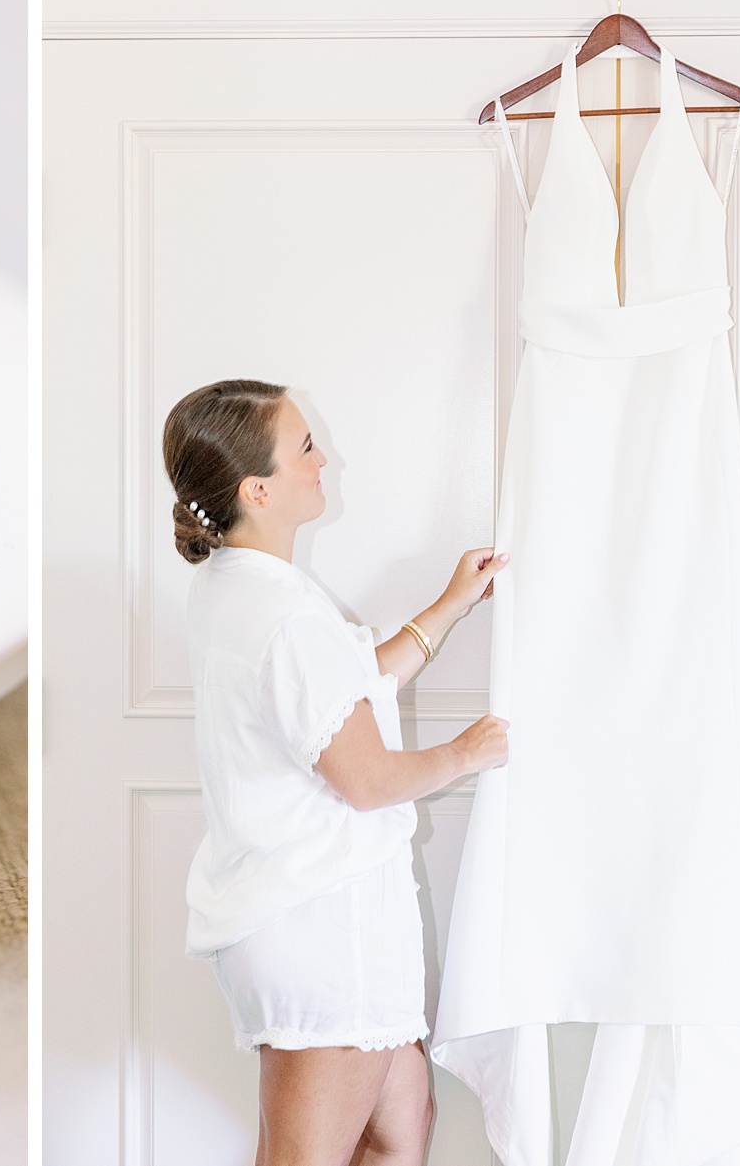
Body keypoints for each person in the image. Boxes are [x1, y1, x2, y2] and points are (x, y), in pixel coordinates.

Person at [163, 378, 510, 1166]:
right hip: (322, 931)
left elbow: (341, 688)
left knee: (400, 1126)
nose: (327, 459)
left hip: (316, 920)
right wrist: (469, 750)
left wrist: (450, 604)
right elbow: (367, 778)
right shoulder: (283, 616)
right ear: (257, 488)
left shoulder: (235, 586)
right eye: (307, 447)